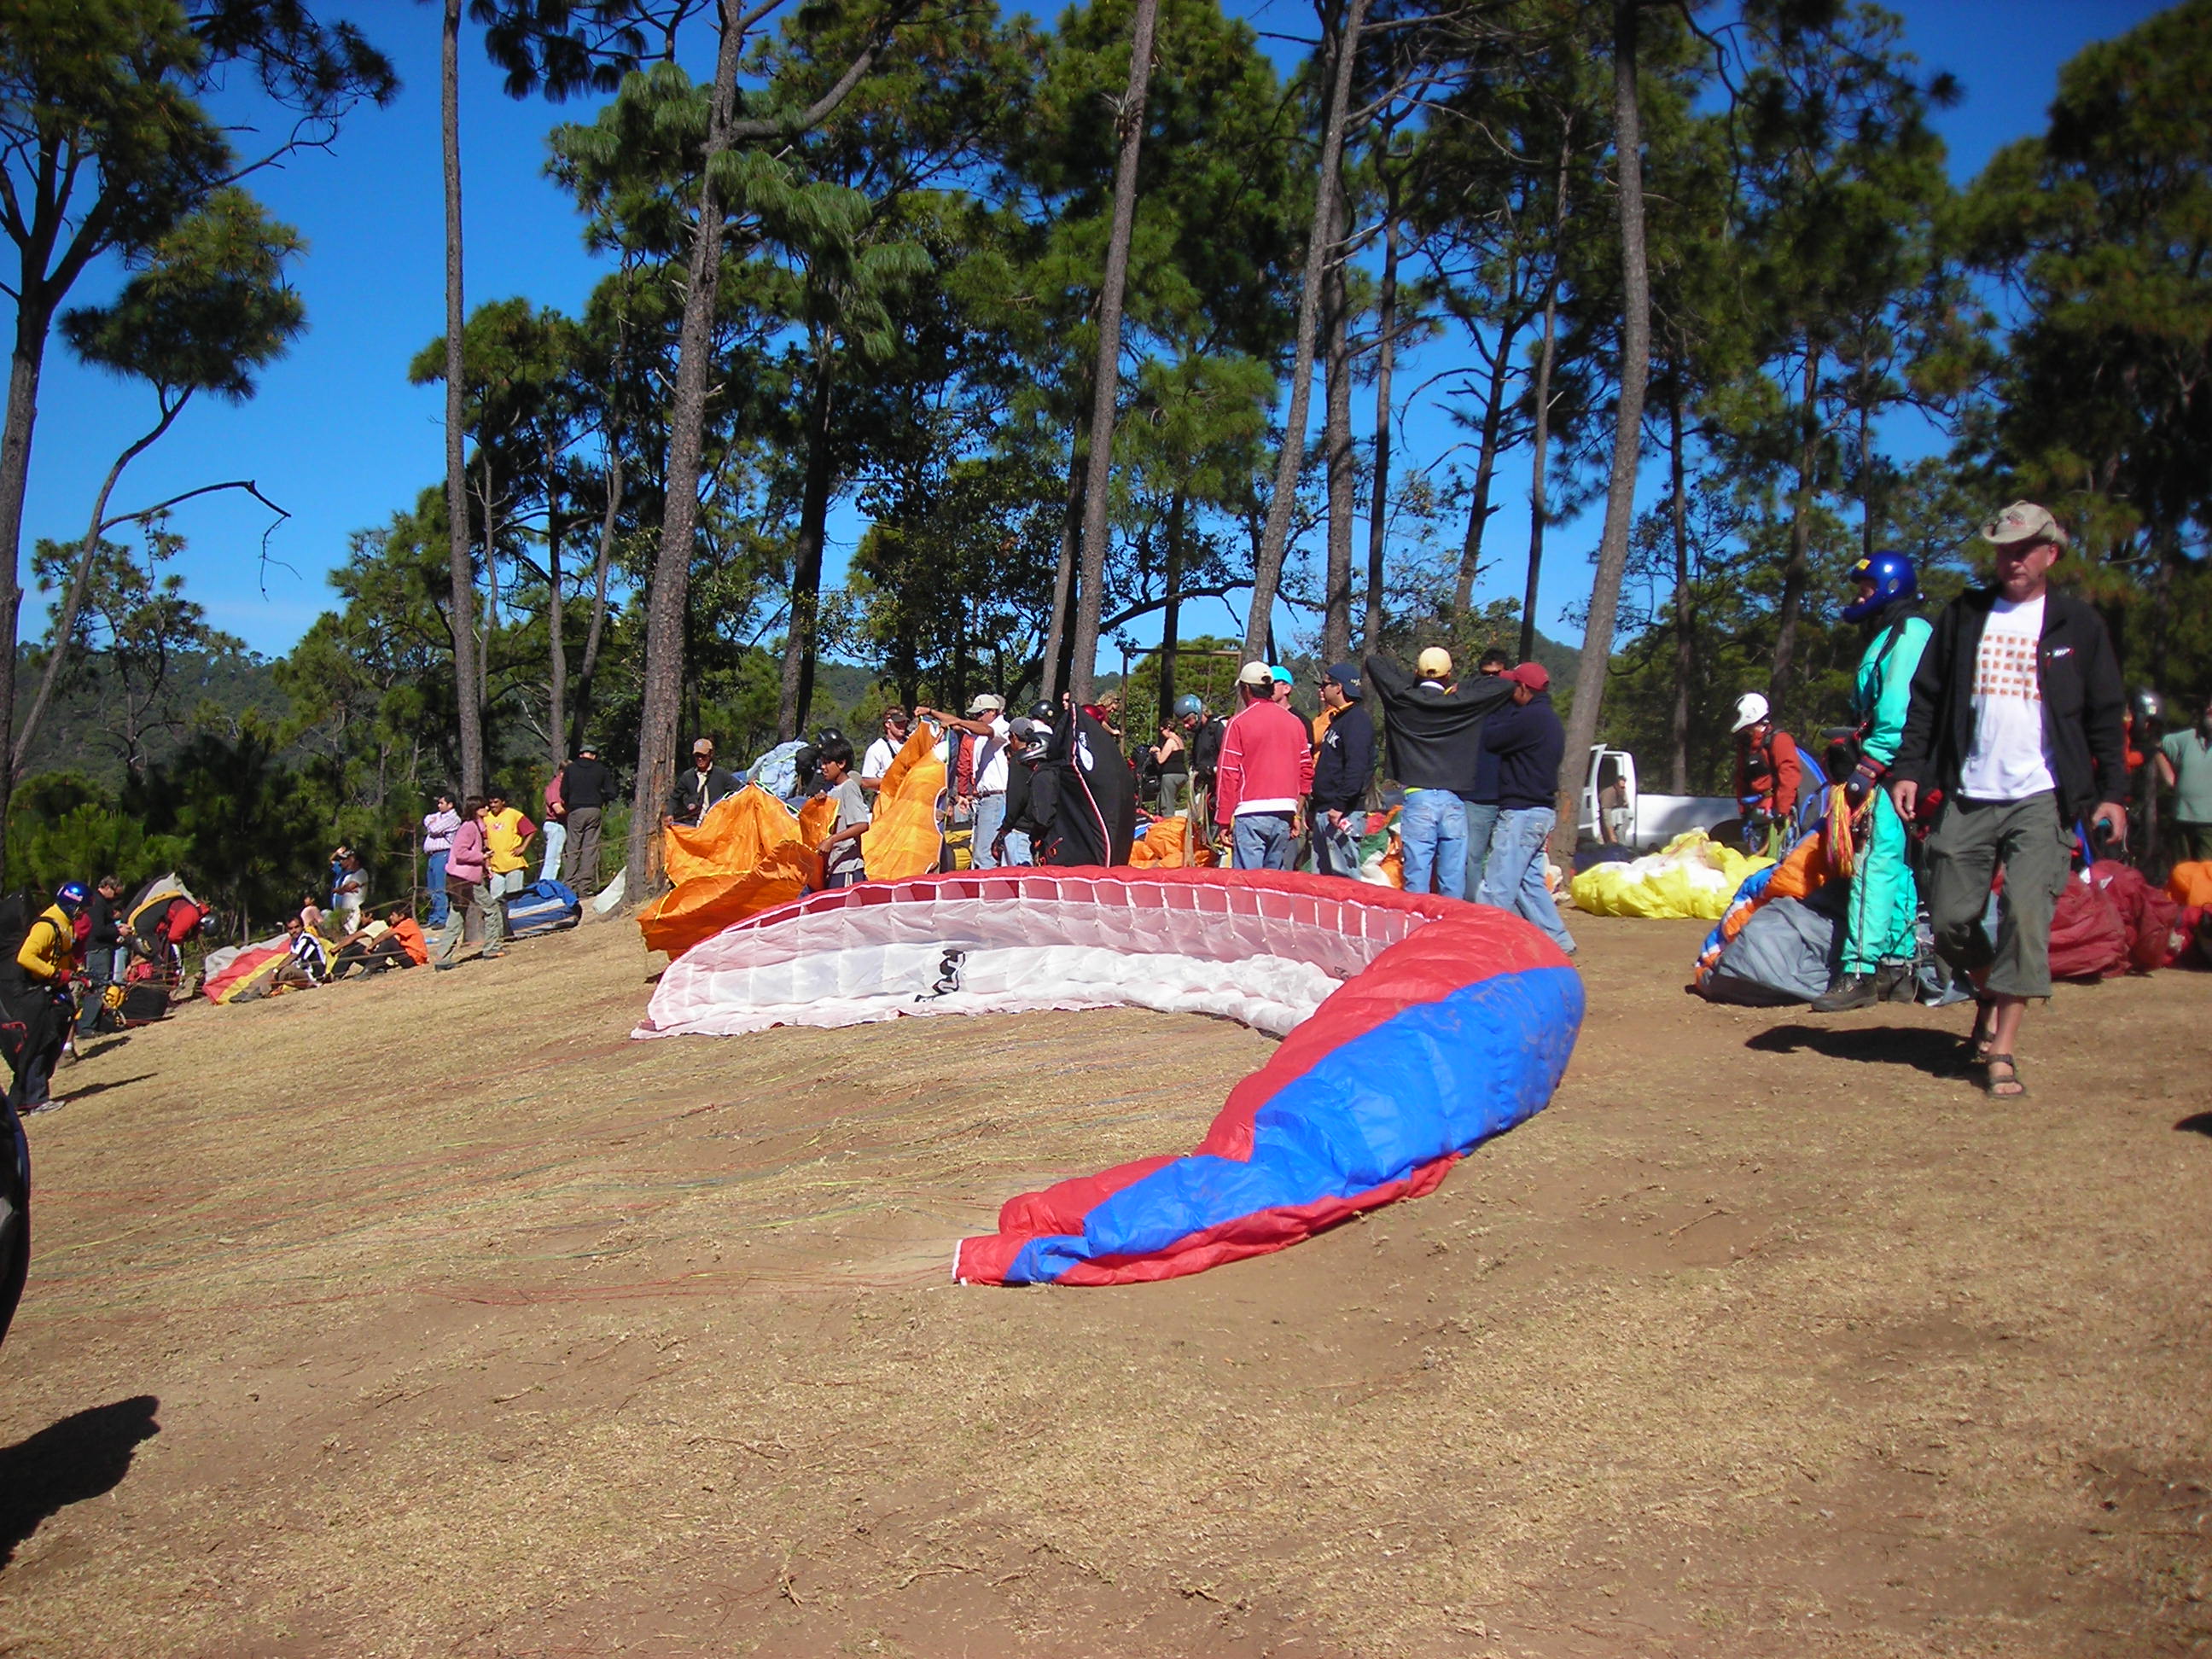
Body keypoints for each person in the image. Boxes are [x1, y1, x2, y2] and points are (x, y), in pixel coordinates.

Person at [1890, 501, 2128, 1101]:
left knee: (2026, 914)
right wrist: (1909, 769)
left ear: (2051, 553)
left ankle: (2002, 1050)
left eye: (2024, 549)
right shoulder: (1964, 615)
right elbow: (1926, 698)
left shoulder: (2077, 624)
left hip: (2042, 795)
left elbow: (2105, 714)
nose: (2012, 560)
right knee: (1949, 920)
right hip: (1970, 790)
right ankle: (1993, 995)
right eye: (2003, 550)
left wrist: (2113, 796)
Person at [1811, 550, 1936, 1011]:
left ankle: (1859, 970)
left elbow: (1898, 710)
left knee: (1872, 860)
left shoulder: (1908, 633)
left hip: (1894, 766)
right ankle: (1896, 968)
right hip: (1895, 764)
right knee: (1895, 864)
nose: (1860, 597)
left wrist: (1869, 766)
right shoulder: (1891, 632)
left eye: (1866, 589)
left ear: (1889, 588)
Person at [1364, 647, 1512, 899]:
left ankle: (1417, 923)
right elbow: (1505, 685)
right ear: (1449, 675)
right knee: (1452, 880)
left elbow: (1375, 662)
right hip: (1453, 800)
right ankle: (1450, 923)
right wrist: (1459, 687)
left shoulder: (1402, 700)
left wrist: (1417, 681)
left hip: (1418, 797)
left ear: (1417, 672)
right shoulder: (1462, 703)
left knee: (1417, 881)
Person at [1476, 663, 1576, 954]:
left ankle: (1483, 943)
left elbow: (1491, 738)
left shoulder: (1531, 718)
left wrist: (1492, 709)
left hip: (1522, 812)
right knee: (1528, 883)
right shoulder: (1549, 719)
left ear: (1523, 688)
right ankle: (1558, 940)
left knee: (1498, 883)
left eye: (1511, 688)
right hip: (1540, 812)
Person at [1214, 661, 1314, 871]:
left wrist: (1223, 820)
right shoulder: (1295, 722)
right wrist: (1296, 812)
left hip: (1251, 812)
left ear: (1246, 689)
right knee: (1273, 882)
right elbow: (1306, 770)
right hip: (1284, 812)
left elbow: (1228, 773)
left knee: (1248, 883)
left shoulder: (1238, 723)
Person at [8, 885, 82, 1113]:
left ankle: (21, 1099)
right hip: (36, 992)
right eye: (80, 909)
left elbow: (62, 954)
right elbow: (26, 957)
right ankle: (37, 1100)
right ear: (72, 905)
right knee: (41, 1044)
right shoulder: (47, 926)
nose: (82, 914)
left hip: (52, 990)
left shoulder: (64, 923)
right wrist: (55, 974)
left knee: (50, 1044)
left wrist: (77, 972)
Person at [919, 696, 1012, 869]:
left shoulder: (1001, 727)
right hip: (983, 798)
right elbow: (955, 723)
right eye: (975, 715)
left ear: (993, 712)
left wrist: (960, 721)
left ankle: (989, 885)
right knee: (978, 852)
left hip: (996, 797)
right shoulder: (980, 730)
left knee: (984, 854)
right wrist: (931, 712)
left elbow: (984, 729)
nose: (977, 718)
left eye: (980, 714)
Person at [1309, 663, 1374, 879]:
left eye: (1325, 684)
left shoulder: (1357, 721)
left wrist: (1339, 806)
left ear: (1339, 687)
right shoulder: (1337, 720)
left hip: (1343, 813)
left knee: (1344, 882)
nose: (1321, 689)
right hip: (1325, 810)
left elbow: (1357, 767)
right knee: (1322, 883)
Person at [1731, 692, 1803, 856]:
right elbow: (1741, 778)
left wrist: (1782, 811)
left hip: (1775, 813)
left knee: (1776, 858)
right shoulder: (1746, 746)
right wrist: (1743, 809)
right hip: (1755, 814)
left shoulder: (1779, 740)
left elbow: (1789, 776)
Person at [435, 796, 503, 967]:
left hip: (462, 877)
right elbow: (460, 852)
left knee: (457, 914)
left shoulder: (477, 827)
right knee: (492, 909)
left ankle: (443, 958)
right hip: (465, 879)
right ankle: (492, 948)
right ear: (476, 810)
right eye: (483, 807)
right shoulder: (469, 827)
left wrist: (485, 867)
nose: (487, 809)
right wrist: (482, 856)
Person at [2157, 693, 2212, 864]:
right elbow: (2157, 747)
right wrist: (2169, 777)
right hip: (2182, 820)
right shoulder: (2188, 737)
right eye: (2210, 705)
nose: (2210, 709)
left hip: (2209, 826)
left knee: (2206, 875)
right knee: (2180, 873)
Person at [811, 737, 873, 888]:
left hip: (847, 868)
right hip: (834, 867)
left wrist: (832, 840)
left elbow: (862, 824)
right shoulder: (832, 790)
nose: (823, 767)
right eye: (822, 763)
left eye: (827, 763)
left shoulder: (848, 788)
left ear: (841, 763)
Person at [75, 875, 128, 1038]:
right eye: (116, 894)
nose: (116, 898)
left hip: (102, 949)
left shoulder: (101, 902)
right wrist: (117, 931)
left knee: (102, 987)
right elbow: (97, 930)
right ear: (107, 887)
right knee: (97, 987)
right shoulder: (97, 903)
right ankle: (86, 1026)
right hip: (97, 950)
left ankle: (95, 1023)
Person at [556, 744, 614, 894]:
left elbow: (563, 792)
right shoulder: (601, 769)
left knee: (573, 848)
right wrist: (600, 798)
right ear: (594, 756)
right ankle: (585, 887)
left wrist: (570, 801)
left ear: (581, 754)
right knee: (590, 848)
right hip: (594, 810)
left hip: (576, 810)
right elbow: (611, 792)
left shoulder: (570, 769)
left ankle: (569, 885)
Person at [1000, 718, 1052, 865]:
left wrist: (1005, 827)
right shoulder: (1043, 760)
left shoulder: (1019, 761)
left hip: (1019, 830)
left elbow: (1017, 797)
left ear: (1014, 736)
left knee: (1015, 877)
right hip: (1037, 829)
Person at [665, 738, 742, 828]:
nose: (700, 759)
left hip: (716, 826)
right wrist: (669, 813)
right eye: (697, 756)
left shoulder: (721, 774)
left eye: (703, 756)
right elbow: (674, 797)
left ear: (710, 754)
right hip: (693, 827)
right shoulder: (688, 776)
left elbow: (740, 791)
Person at [480, 793, 535, 914]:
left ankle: (515, 920)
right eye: (491, 803)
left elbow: (531, 830)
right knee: (495, 899)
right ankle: (499, 923)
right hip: (495, 865)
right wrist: (487, 861)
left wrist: (523, 847)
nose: (493, 805)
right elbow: (485, 840)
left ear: (503, 802)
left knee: (514, 898)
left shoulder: (514, 814)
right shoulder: (486, 818)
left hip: (513, 863)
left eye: (496, 802)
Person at [422, 793, 461, 928]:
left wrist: (432, 825)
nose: (438, 806)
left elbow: (434, 828)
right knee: (432, 889)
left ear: (450, 805)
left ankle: (442, 919)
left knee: (440, 888)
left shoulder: (453, 819)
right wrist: (431, 823)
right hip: (432, 856)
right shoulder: (439, 816)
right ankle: (433, 918)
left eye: (441, 803)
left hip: (443, 855)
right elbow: (427, 819)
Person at [860, 709, 912, 794]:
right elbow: (866, 782)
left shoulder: (912, 742)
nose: (902, 725)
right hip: (888, 797)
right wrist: (893, 781)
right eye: (898, 723)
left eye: (904, 722)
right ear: (888, 724)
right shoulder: (877, 748)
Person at [271, 915, 328, 991]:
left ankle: (268, 988)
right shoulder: (294, 942)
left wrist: (276, 970)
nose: (294, 930)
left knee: (285, 971)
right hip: (303, 972)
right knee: (270, 972)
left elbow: (293, 956)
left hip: (315, 974)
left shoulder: (306, 938)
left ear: (302, 926)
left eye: (297, 927)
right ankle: (256, 991)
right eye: (291, 928)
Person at [1150, 714, 1190, 817]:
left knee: (1167, 804)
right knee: (1164, 799)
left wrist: (1157, 751)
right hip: (1182, 774)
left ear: (1167, 729)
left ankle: (1168, 822)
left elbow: (1161, 760)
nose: (1162, 734)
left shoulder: (1171, 742)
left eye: (1162, 731)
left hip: (1171, 775)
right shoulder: (1179, 740)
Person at [538, 767, 568, 886]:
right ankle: (546, 885)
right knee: (553, 859)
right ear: (562, 772)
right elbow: (558, 809)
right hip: (555, 825)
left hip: (558, 825)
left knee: (555, 858)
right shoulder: (556, 786)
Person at [332, 851, 366, 934]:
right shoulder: (350, 875)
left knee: (351, 933)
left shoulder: (361, 873)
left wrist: (344, 889)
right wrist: (343, 889)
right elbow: (343, 889)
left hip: (354, 910)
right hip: (344, 911)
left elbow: (347, 888)